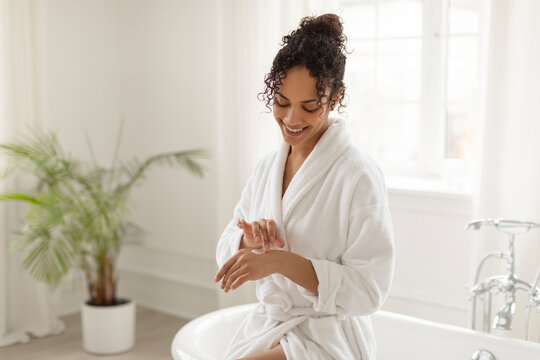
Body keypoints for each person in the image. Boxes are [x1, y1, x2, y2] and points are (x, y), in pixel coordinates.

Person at [214, 13, 395, 360]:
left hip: (328, 336)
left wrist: (281, 263)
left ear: (335, 96)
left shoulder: (358, 175)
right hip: (270, 326)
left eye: (309, 107)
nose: (292, 119)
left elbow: (369, 291)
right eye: (281, 103)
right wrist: (249, 241)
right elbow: (226, 248)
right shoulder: (268, 167)